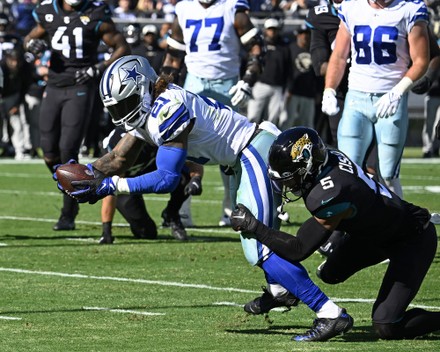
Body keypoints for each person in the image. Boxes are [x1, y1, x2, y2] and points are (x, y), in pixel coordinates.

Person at [54, 55, 353, 342]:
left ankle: (329, 313)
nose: (123, 113)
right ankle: (280, 289)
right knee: (257, 239)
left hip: (253, 152)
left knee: (257, 247)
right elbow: (119, 157)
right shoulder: (150, 107)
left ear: (144, 87)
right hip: (241, 158)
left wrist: (109, 187)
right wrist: (88, 172)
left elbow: (167, 178)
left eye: (127, 103)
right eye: (117, 107)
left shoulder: (168, 108)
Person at [230, 126, 440, 340]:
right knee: (330, 274)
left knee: (386, 325)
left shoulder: (330, 191)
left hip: (411, 238)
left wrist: (254, 227)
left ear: (308, 166)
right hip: (374, 232)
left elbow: (298, 249)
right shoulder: (325, 158)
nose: (285, 185)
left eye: (289, 178)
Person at [23, 0, 130, 231]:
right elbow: (29, 39)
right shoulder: (48, 11)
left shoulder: (94, 12)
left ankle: (68, 212)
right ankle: (72, 184)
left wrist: (98, 68)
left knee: (67, 150)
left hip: (80, 87)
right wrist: (33, 46)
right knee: (49, 152)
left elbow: (122, 46)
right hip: (53, 85)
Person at [160, 0, 266, 227]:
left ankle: (232, 206)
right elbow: (173, 56)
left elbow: (257, 47)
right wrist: (164, 89)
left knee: (232, 147)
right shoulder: (184, 9)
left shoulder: (231, 8)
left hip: (226, 84)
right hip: (193, 84)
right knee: (183, 147)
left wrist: (248, 81)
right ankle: (181, 208)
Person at [321, 0, 430, 199]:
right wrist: (329, 89)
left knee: (388, 174)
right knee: (348, 170)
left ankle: (401, 225)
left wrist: (398, 91)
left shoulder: (409, 9)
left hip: (390, 100)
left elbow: (421, 60)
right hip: (356, 99)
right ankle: (352, 227)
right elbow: (338, 56)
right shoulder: (352, 7)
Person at [99, 127, 203, 243]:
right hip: (124, 183)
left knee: (184, 175)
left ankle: (171, 214)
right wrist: (106, 230)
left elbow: (191, 160)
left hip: (148, 166)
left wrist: (196, 178)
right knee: (147, 232)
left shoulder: (159, 132)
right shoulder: (118, 145)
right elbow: (110, 189)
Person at [246, 17, 291, 128]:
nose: (272, 32)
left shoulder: (284, 47)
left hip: (277, 87)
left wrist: (286, 87)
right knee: (252, 116)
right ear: (265, 30)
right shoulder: (259, 45)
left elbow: (288, 68)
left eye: (275, 29)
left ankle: (270, 141)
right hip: (260, 84)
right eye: (270, 29)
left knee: (273, 119)